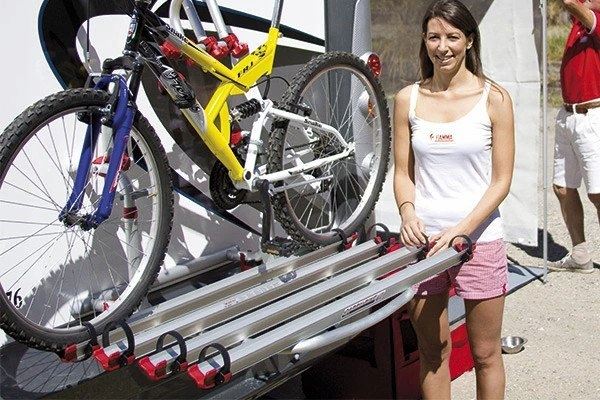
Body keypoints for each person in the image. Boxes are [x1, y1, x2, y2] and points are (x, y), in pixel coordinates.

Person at [393, 0, 515, 398]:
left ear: (469, 41)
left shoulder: (495, 98)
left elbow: (501, 181)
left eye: (452, 37)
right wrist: (407, 213)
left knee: (485, 354)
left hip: (479, 240)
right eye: (434, 37)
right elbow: (402, 173)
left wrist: (461, 231)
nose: (442, 47)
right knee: (432, 352)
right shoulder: (407, 98)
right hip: (424, 244)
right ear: (424, 40)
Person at [549, 0, 600, 274]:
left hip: (593, 116)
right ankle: (580, 255)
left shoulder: (596, 21)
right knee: (562, 187)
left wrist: (583, 4)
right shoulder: (579, 25)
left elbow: (569, 2)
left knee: (598, 193)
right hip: (567, 114)